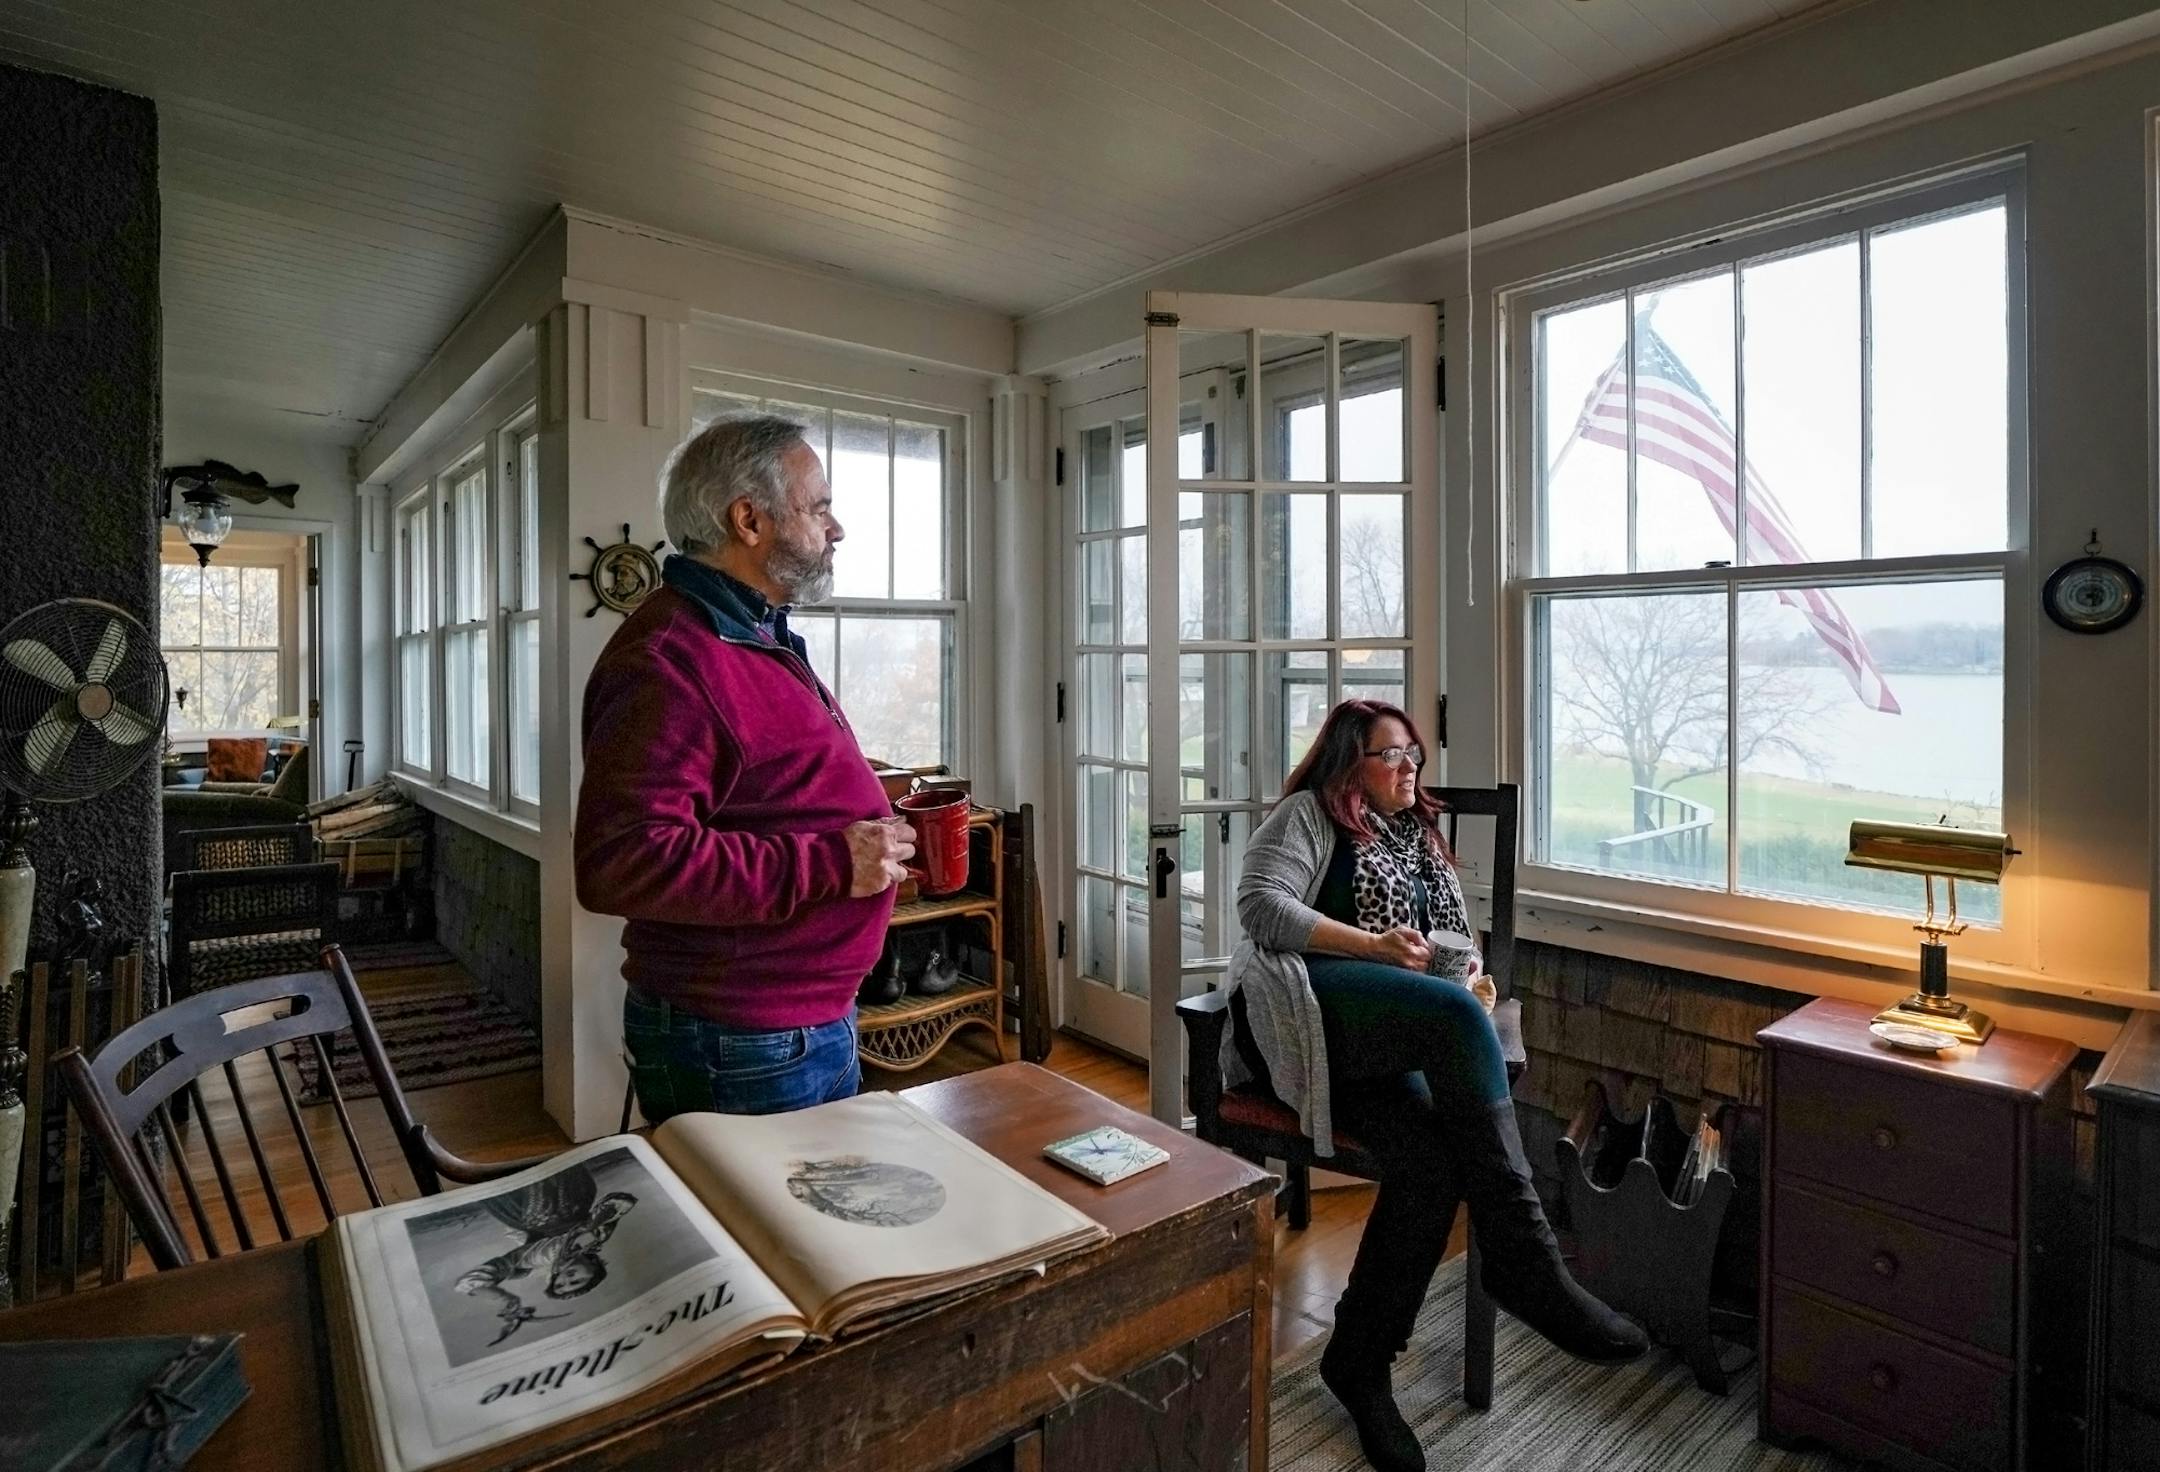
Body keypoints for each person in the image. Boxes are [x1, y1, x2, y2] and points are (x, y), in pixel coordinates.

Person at [1228, 700, 1645, 1472]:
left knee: (1434, 1163)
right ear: (1349, 763)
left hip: (1397, 1041)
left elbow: (1452, 938)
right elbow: (1259, 907)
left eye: (1414, 754)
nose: (1410, 768)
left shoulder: (1420, 838)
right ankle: (1527, 1259)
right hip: (1312, 1025)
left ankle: (1357, 1361)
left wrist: (1470, 971)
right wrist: (1375, 948)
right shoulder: (1306, 816)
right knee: (1454, 1022)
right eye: (1391, 755)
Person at [575, 413, 915, 1120]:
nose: (836, 528)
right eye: (818, 506)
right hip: (743, 1038)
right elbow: (622, 860)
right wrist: (830, 863)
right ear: (748, 520)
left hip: (799, 1022)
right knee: (768, 1234)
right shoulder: (667, 659)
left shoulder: (754, 634)